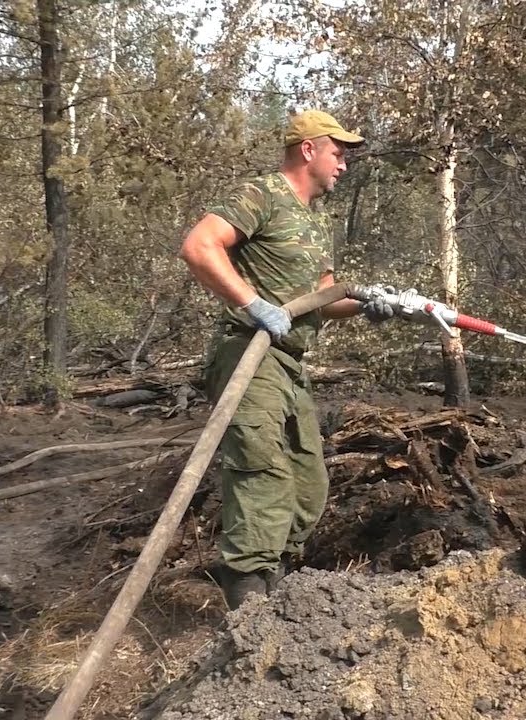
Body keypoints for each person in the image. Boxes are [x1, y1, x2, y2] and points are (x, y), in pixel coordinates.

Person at [178, 109, 394, 610]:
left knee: (307, 484)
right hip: (249, 358)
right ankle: (250, 608)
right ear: (309, 149)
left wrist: (368, 304)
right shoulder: (263, 195)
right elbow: (199, 246)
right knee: (263, 475)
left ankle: (279, 596)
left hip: (289, 363)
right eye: (338, 153)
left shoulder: (315, 220)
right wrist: (251, 303)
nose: (343, 164)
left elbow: (324, 296)